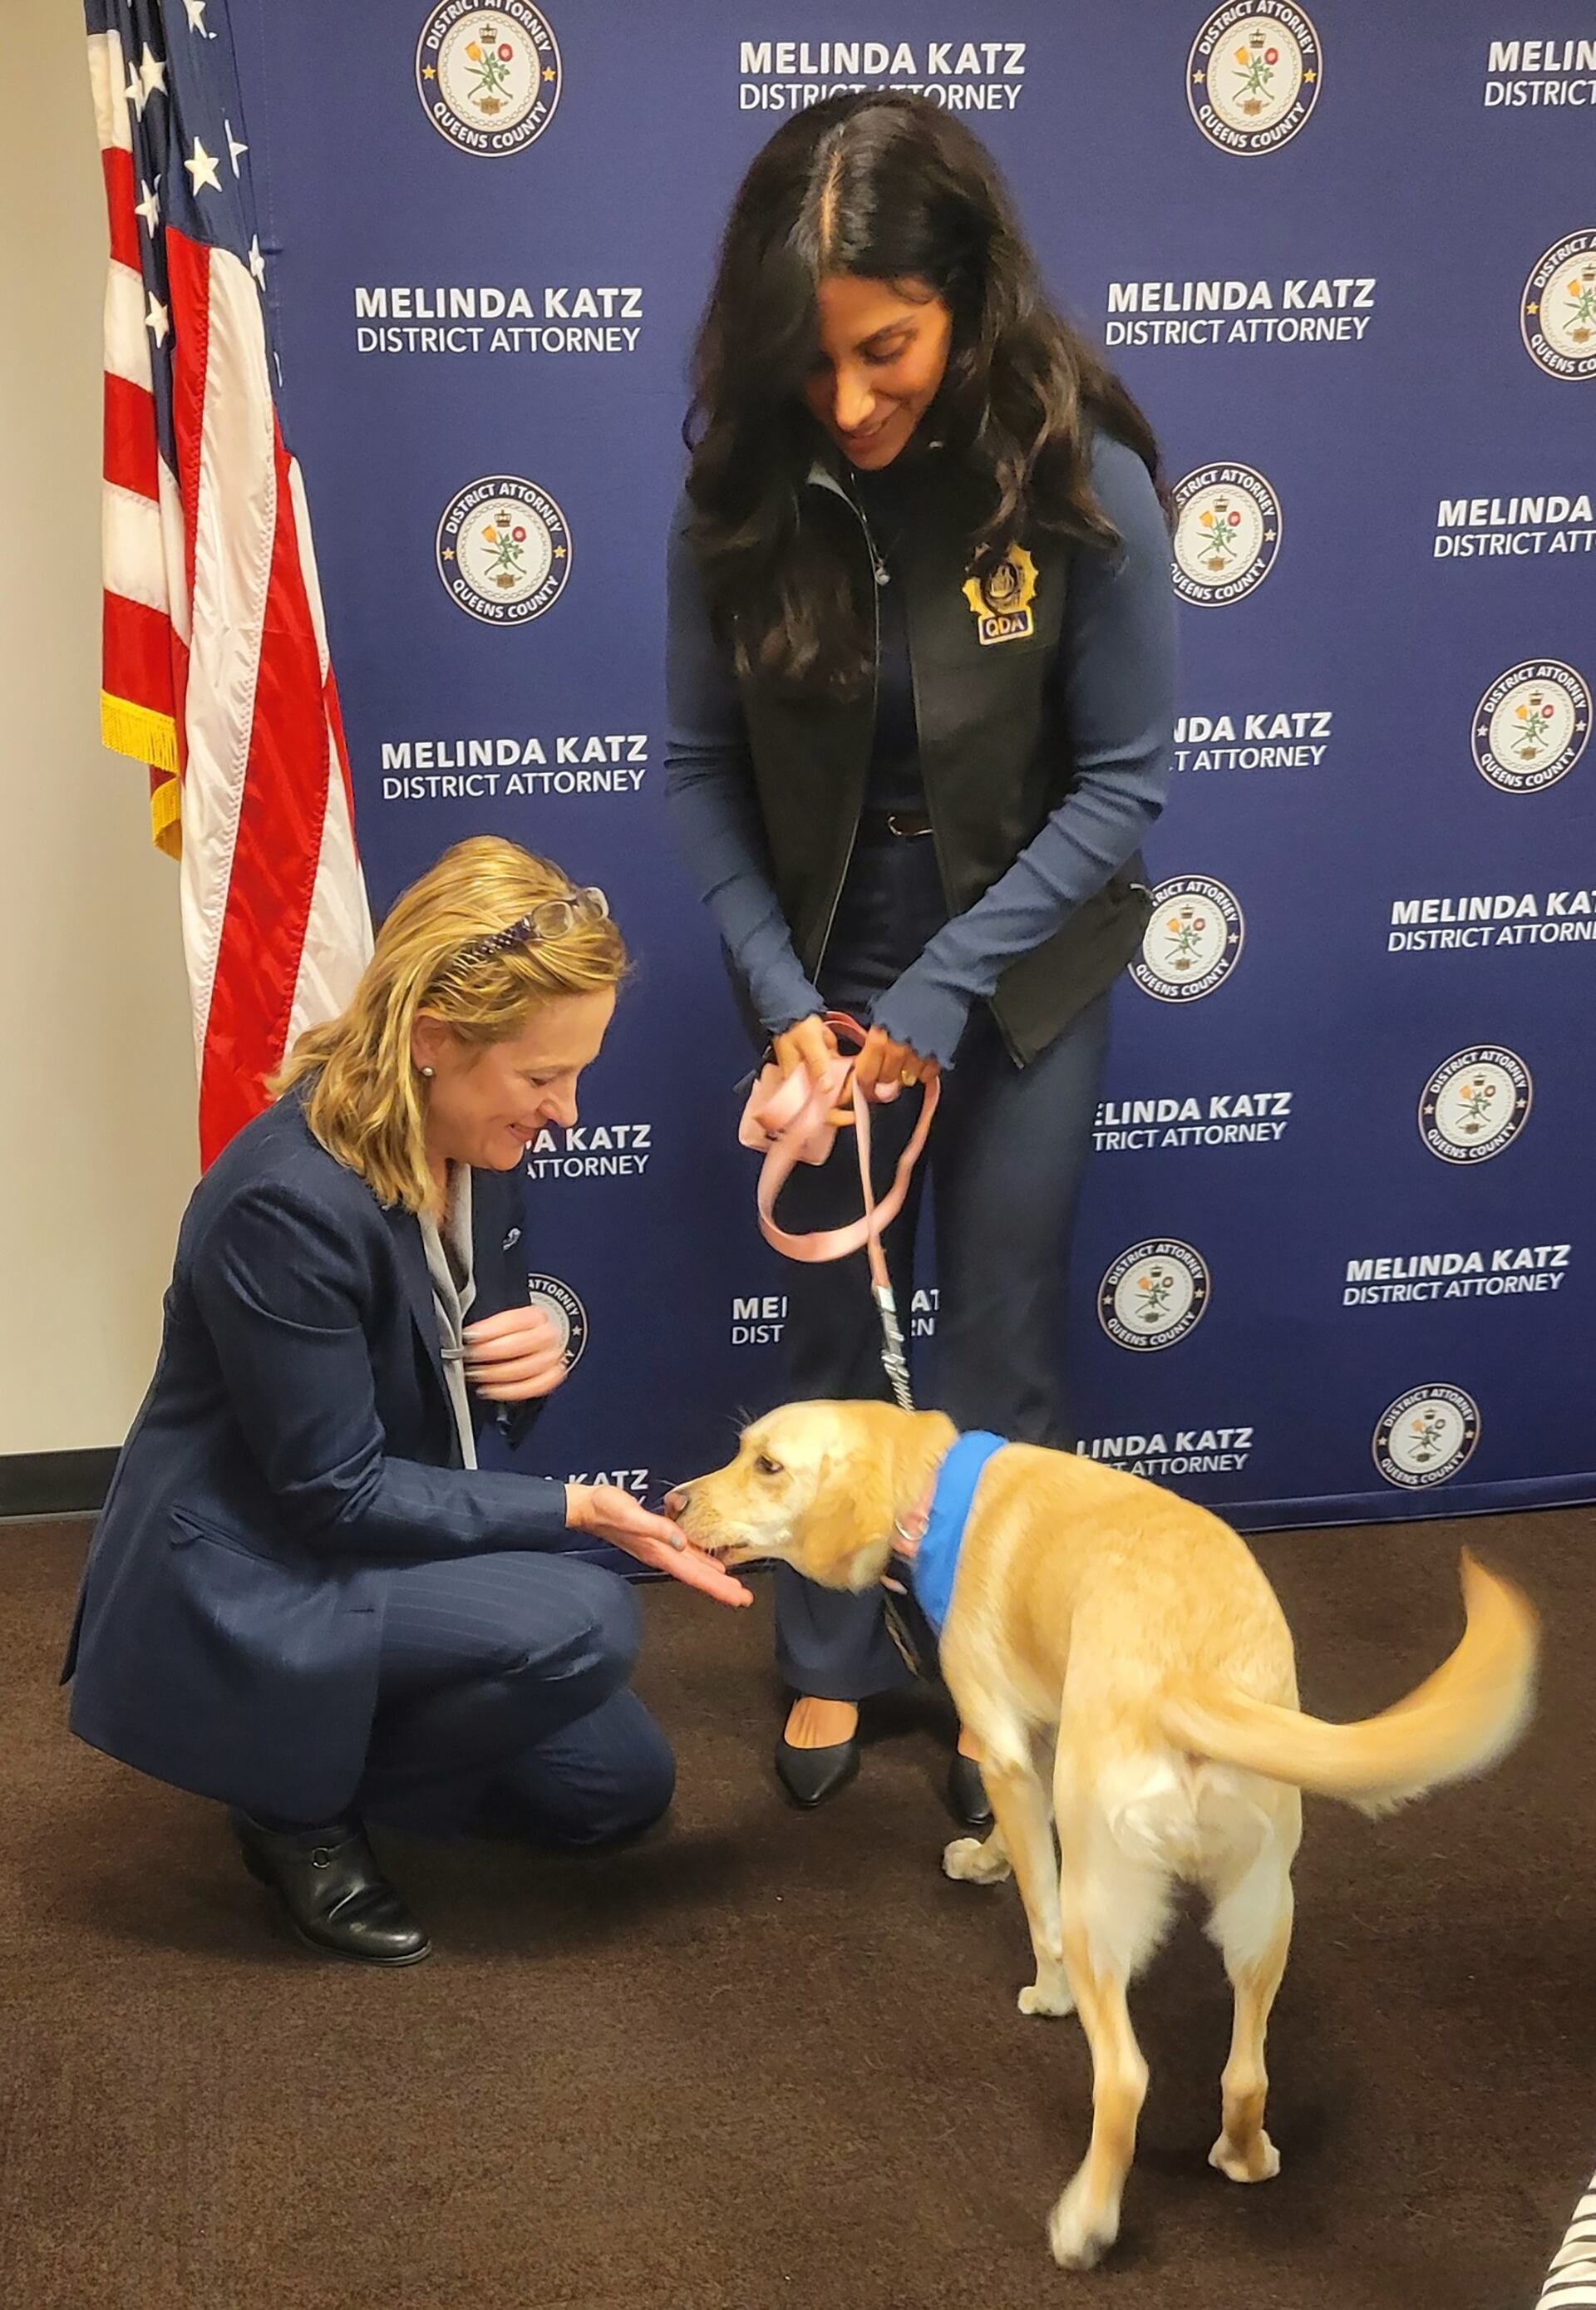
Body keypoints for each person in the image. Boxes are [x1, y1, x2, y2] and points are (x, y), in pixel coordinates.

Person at [664, 93, 1177, 1814]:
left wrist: (948, 988)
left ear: (967, 291)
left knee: (1003, 1353)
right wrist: (782, 998)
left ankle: (999, 1681)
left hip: (1022, 964)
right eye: (812, 365)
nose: (853, 400)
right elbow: (700, 771)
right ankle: (824, 1657)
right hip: (824, 964)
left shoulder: (1081, 472)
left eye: (888, 351)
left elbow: (1120, 784)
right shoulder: (742, 487)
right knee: (823, 1343)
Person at [62, 837, 750, 1966]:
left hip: (376, 1545)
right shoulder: (283, 1206)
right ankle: (288, 1801)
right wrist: (574, 1509)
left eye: (575, 1076)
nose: (568, 1113)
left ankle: (322, 1738)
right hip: (252, 1569)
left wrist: (529, 1368)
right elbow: (335, 1497)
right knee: (584, 1620)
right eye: (543, 1078)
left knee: (617, 1794)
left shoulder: (476, 1132)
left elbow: (457, 1390)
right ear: (434, 1041)